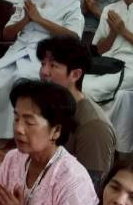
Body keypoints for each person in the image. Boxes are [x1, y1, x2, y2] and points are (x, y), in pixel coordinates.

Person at [0, 0, 85, 138]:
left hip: (47, 55)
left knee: (20, 78)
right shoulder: (29, 0)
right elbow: (6, 33)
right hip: (20, 49)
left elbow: (73, 36)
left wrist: (38, 19)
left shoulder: (70, 2)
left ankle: (18, 133)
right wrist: (26, 19)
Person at [38, 37, 115, 188]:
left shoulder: (94, 126)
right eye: (43, 64)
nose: (44, 72)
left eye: (53, 65)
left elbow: (88, 190)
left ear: (75, 75)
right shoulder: (49, 107)